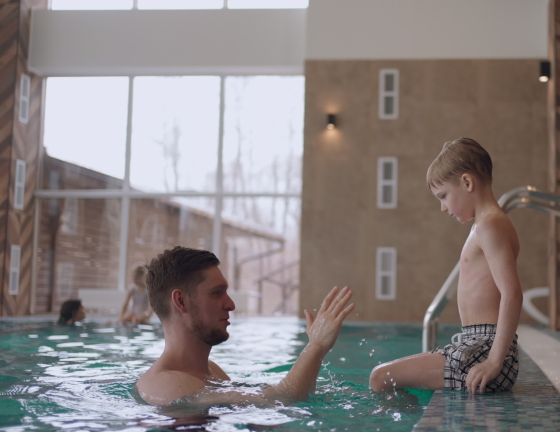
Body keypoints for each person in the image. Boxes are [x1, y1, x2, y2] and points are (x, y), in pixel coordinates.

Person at [369, 137, 522, 394]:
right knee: (389, 375)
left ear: (467, 182)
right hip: (476, 346)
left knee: (379, 378)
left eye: (443, 196)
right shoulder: (484, 224)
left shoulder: (490, 225)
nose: (442, 207)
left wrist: (494, 361)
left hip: (485, 350)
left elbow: (512, 294)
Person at [135, 246, 355, 406]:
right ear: (181, 301)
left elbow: (263, 399)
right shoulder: (167, 385)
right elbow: (279, 402)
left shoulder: (212, 371)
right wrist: (316, 347)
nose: (230, 304)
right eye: (216, 293)